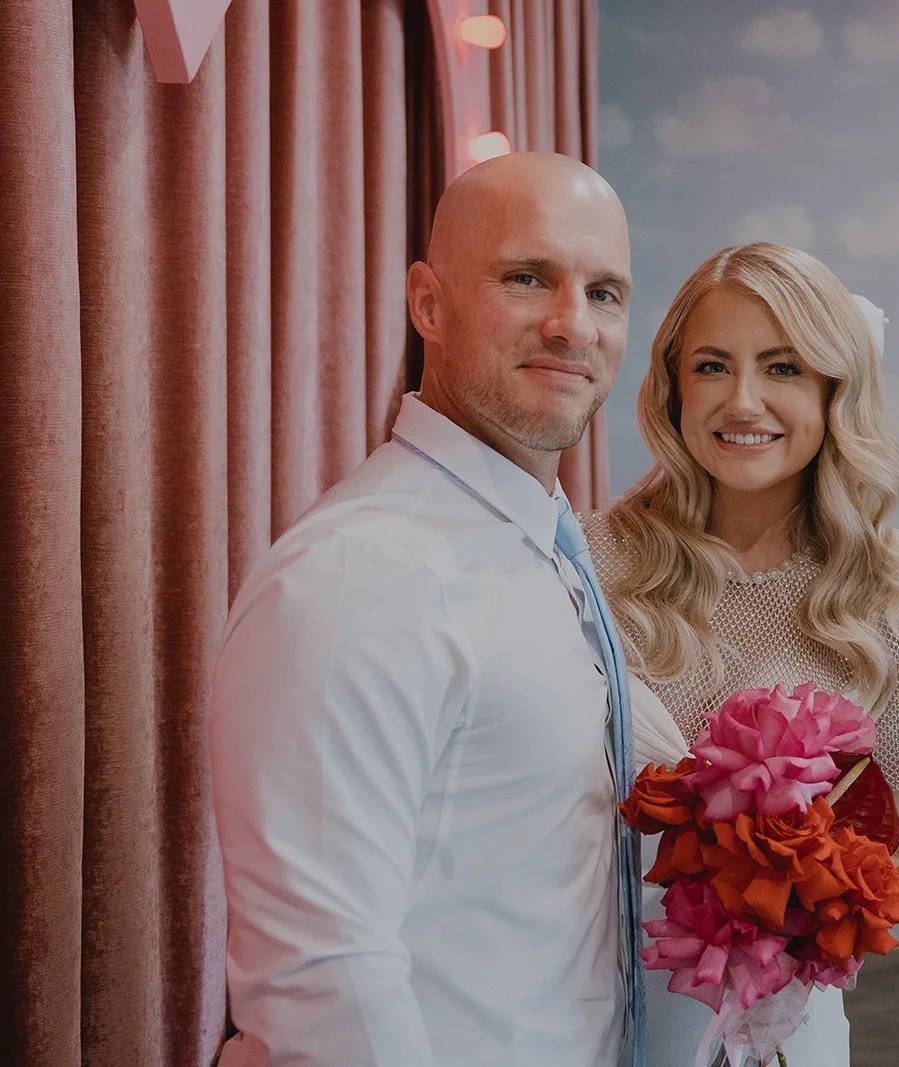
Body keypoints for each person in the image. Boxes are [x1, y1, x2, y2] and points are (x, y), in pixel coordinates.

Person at [208, 151, 647, 1066]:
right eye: (528, 278)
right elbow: (322, 987)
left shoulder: (546, 543)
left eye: (605, 293)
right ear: (428, 304)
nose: (574, 324)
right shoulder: (360, 576)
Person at [583, 242, 899, 1063]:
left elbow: (891, 869)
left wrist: (782, 928)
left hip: (783, 1020)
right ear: (676, 387)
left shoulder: (893, 589)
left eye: (782, 367)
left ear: (834, 390)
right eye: (713, 365)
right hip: (588, 1000)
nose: (742, 400)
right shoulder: (593, 562)